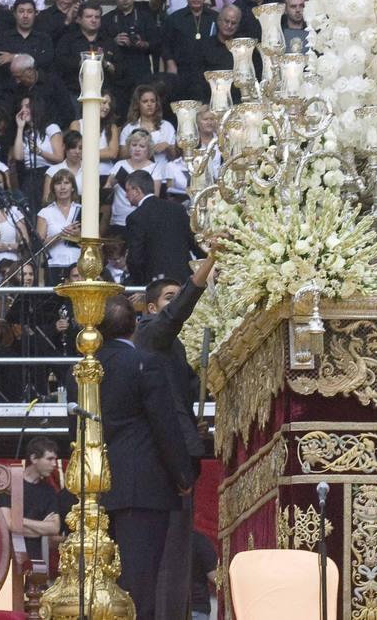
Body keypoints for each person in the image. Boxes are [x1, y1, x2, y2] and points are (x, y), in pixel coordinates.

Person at [97, 294, 194, 620]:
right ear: (135, 324)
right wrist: (182, 475)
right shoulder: (144, 363)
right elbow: (164, 424)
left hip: (98, 483)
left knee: (102, 582)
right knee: (140, 585)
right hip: (145, 484)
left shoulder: (85, 367)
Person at [134, 258, 216, 620]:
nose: (175, 301)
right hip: (165, 463)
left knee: (179, 552)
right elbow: (178, 313)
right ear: (152, 308)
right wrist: (206, 266)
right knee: (167, 555)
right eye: (169, 297)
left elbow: (183, 395)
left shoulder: (174, 349)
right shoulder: (150, 332)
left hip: (184, 453)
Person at [0, 437, 64, 562]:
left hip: (36, 559)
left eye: (55, 459)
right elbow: (8, 524)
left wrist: (20, 520)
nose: (54, 464)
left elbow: (54, 528)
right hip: (9, 558)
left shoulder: (49, 491)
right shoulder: (9, 484)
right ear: (34, 458)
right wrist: (40, 529)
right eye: (49, 459)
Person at [124, 169, 196, 284]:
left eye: (127, 191)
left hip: (156, 282)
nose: (125, 195)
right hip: (184, 277)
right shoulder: (178, 209)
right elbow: (194, 243)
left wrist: (140, 283)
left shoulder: (136, 217)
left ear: (136, 190)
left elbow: (135, 258)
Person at [36, 169, 82, 285]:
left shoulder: (83, 210)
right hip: (54, 265)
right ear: (53, 189)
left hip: (79, 266)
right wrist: (60, 235)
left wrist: (79, 235)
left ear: (72, 188)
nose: (62, 187)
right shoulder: (45, 212)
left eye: (66, 183)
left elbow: (95, 241)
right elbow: (39, 245)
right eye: (58, 183)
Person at [121, 84, 177, 165]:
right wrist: (142, 147)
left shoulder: (167, 126)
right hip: (138, 173)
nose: (149, 104)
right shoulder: (130, 128)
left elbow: (176, 156)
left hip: (163, 171)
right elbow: (122, 155)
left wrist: (167, 147)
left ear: (156, 104)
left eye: (152, 101)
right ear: (138, 104)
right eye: (145, 101)